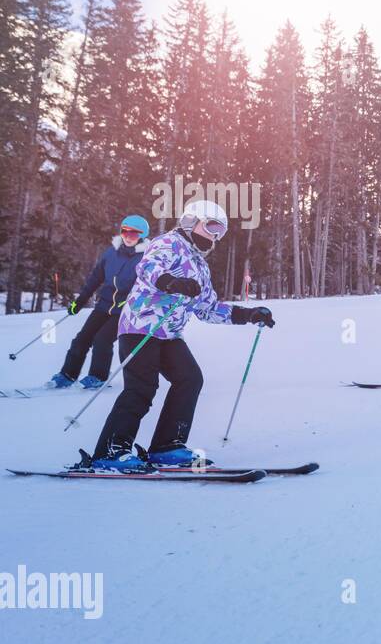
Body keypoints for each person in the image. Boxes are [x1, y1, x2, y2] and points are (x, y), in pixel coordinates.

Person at [85, 200, 275, 471]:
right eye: (211, 226)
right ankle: (110, 452)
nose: (215, 236)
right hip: (142, 327)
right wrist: (171, 283)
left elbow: (208, 309)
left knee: (190, 378)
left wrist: (250, 314)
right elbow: (148, 269)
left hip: (170, 334)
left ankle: (167, 446)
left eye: (220, 231)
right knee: (142, 388)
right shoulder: (168, 244)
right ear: (190, 221)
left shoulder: (200, 265)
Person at [49, 215, 151, 389]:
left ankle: (98, 377)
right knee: (82, 339)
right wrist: (80, 301)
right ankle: (67, 374)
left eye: (134, 234)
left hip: (124, 310)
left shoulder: (146, 258)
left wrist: (130, 302)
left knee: (102, 340)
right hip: (104, 305)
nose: (128, 236)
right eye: (125, 231)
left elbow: (147, 288)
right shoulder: (111, 252)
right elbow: (96, 278)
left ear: (142, 236)